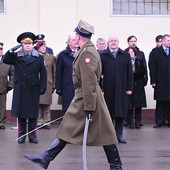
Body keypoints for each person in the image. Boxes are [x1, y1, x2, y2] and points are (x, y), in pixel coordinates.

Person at [24, 20, 122, 170]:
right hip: (85, 96)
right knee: (70, 128)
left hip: (87, 97)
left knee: (102, 132)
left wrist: (89, 107)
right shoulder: (86, 49)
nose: (75, 35)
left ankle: (116, 165)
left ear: (79, 35)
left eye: (76, 33)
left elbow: (89, 81)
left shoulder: (87, 52)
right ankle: (46, 157)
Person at [3, 32, 47, 144]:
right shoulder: (16, 56)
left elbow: (43, 73)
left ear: (33, 44)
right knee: (21, 113)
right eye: (25, 43)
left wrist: (43, 86)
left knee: (32, 114)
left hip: (33, 88)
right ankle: (22, 134)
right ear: (22, 45)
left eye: (30, 43)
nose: (27, 45)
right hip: (21, 88)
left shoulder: (38, 57)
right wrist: (12, 50)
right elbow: (5, 60)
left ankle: (32, 135)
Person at [100, 35, 133, 144]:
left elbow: (129, 73)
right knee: (107, 113)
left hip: (121, 89)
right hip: (107, 90)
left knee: (120, 112)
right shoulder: (103, 55)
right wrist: (100, 88)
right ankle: (108, 136)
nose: (113, 42)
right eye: (111, 41)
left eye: (115, 41)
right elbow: (99, 73)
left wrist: (129, 87)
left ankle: (119, 135)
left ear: (118, 42)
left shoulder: (125, 55)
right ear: (108, 43)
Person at [124, 35, 148, 127]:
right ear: (128, 42)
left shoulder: (140, 54)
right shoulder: (125, 53)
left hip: (139, 82)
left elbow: (144, 68)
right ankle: (128, 120)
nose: (133, 43)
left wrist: (145, 80)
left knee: (139, 102)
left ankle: (138, 120)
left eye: (134, 41)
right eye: (131, 41)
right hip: (129, 83)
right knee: (129, 103)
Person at [148, 34, 170, 128]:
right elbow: (152, 67)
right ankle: (159, 121)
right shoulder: (155, 52)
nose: (169, 42)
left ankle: (168, 121)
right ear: (163, 41)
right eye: (168, 40)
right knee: (160, 101)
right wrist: (153, 81)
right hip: (160, 81)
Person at [55, 33, 78, 113]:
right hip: (67, 87)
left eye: (77, 40)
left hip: (79, 87)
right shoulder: (63, 55)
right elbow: (58, 72)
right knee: (68, 109)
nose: (76, 42)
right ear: (68, 42)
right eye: (73, 40)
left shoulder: (82, 53)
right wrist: (58, 87)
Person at [35, 40, 56, 129]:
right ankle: (39, 121)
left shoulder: (51, 57)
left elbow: (54, 71)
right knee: (38, 103)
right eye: (42, 46)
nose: (44, 48)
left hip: (48, 82)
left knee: (46, 103)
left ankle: (47, 121)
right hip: (37, 82)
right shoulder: (35, 56)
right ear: (38, 48)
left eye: (45, 46)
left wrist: (54, 84)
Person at [0, 42, 14, 129]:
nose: (0, 51)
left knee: (2, 106)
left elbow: (13, 73)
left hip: (3, 86)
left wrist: (10, 85)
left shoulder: (6, 60)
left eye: (1, 49)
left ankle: (1, 122)